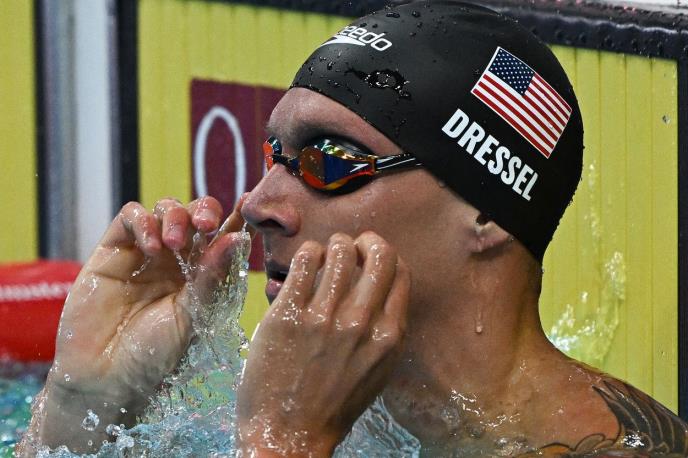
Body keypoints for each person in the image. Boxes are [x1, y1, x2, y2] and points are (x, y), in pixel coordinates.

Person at [19, 1, 688, 456]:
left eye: (331, 161)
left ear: (486, 209)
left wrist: (283, 443)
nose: (258, 203)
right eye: (274, 155)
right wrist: (82, 408)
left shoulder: (605, 448)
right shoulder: (329, 408)